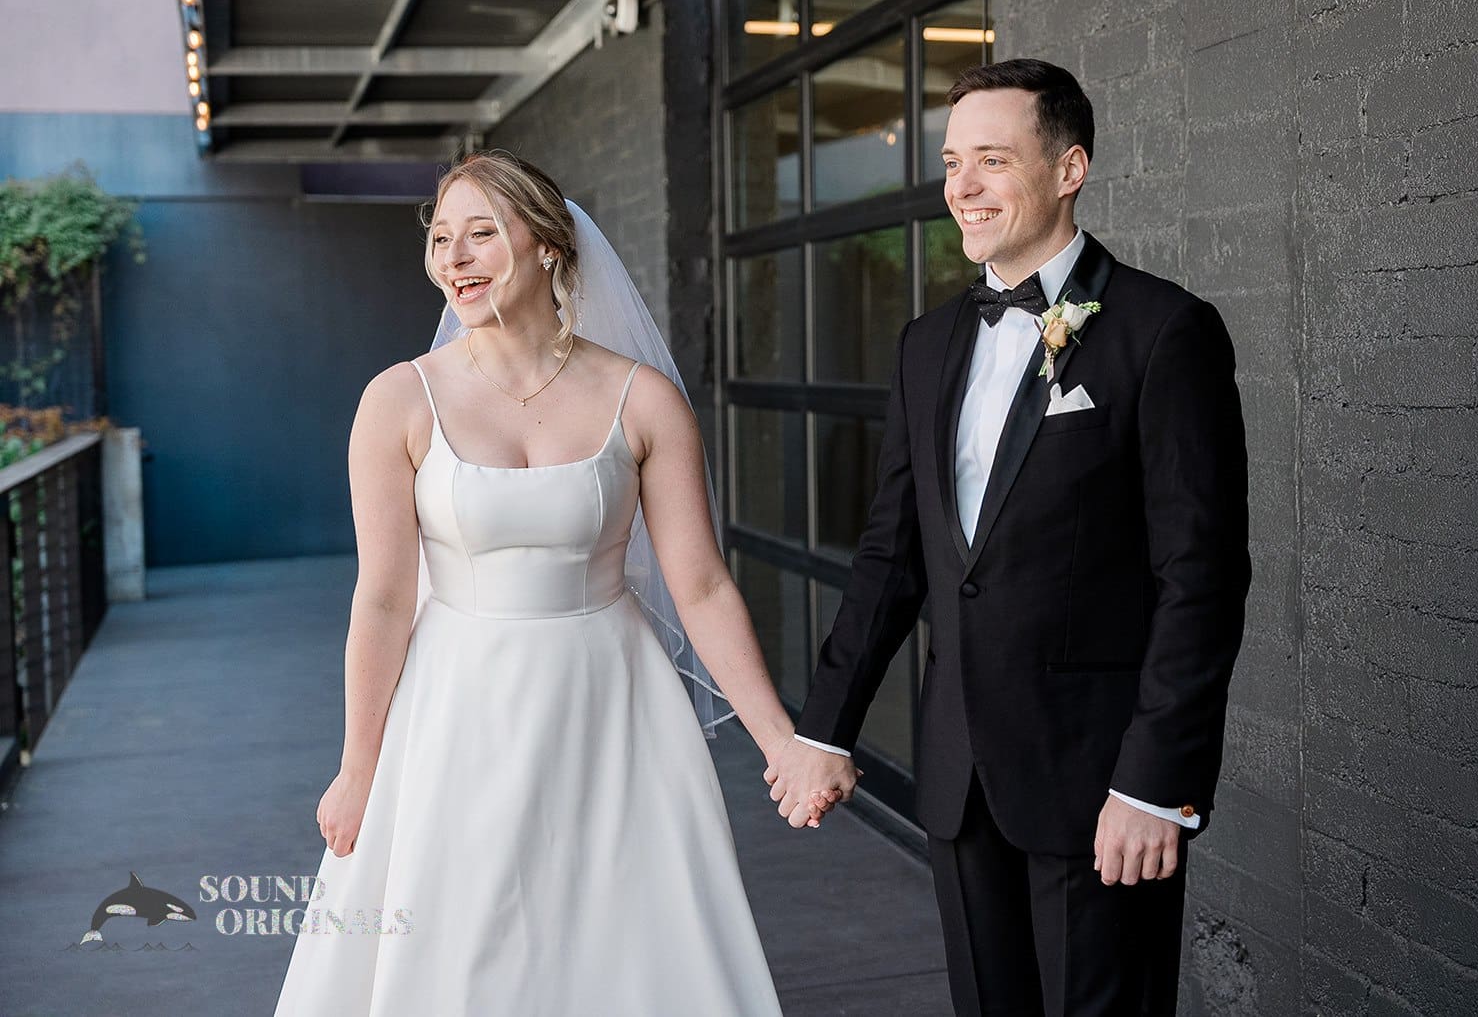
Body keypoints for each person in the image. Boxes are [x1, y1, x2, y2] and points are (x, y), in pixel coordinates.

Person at [274, 150, 836, 1014]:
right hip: (457, 709)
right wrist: (358, 768)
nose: (455, 258)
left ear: (547, 244)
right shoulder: (398, 400)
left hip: (614, 704)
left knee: (624, 940)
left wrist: (781, 742)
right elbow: (382, 600)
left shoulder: (643, 399)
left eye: (481, 233)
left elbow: (701, 585)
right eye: (441, 238)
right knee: (466, 943)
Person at [767, 58, 1252, 1015]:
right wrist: (824, 727)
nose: (963, 187)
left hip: (1101, 786)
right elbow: (891, 556)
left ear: (1069, 169)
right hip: (960, 778)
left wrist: (1155, 784)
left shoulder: (1165, 331)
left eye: (992, 160)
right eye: (954, 163)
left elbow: (1200, 578)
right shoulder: (926, 344)